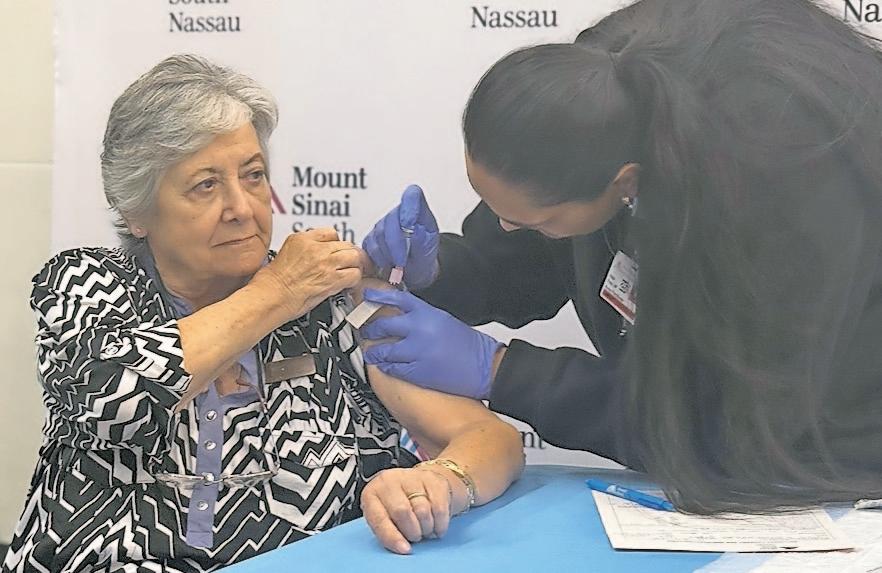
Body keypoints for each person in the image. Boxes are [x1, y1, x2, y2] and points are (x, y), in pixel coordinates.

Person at [2, 54, 523, 572]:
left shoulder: (329, 305)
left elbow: (491, 440)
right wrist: (279, 291)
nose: (243, 208)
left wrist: (440, 481)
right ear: (138, 212)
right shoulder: (87, 284)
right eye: (206, 185)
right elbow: (113, 399)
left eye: (253, 176)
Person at [361, 0, 882, 513]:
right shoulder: (606, 85)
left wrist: (502, 371)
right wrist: (441, 270)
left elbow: (731, 425)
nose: (506, 228)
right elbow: (527, 256)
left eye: (534, 222)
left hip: (833, 443)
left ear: (626, 183)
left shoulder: (785, 183)